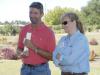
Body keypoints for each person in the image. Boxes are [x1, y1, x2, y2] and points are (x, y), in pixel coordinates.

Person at [17, 2, 56, 75]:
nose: (32, 15)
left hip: (41, 70)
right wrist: (21, 53)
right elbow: (18, 49)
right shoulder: (24, 30)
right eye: (30, 12)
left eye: (35, 13)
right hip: (25, 70)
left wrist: (33, 47)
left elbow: (52, 57)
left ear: (42, 14)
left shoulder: (49, 33)